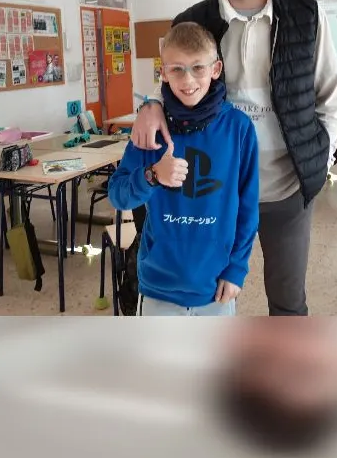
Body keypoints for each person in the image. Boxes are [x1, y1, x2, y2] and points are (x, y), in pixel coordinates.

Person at [131, 0, 337, 316]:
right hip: (215, 191)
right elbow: (176, 82)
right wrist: (151, 104)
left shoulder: (307, 13)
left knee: (288, 299)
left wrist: (317, 159)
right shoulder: (191, 20)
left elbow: (329, 96)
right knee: (213, 296)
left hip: (287, 188)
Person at [108, 21, 259, 316]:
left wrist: (237, 268)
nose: (188, 79)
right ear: (162, 73)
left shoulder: (238, 129)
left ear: (215, 70)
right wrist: (152, 176)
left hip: (215, 289)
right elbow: (117, 195)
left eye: (198, 68)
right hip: (158, 287)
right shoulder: (150, 128)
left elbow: (248, 208)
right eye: (176, 69)